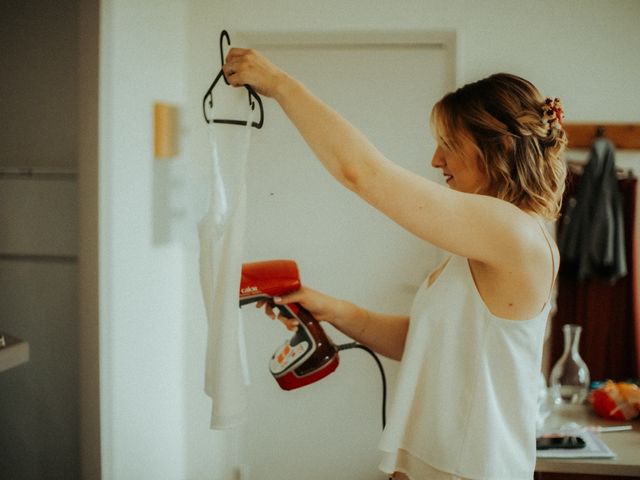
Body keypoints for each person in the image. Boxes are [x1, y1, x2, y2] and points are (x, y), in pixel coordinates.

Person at [222, 48, 568, 480]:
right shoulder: (483, 242)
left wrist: (279, 84)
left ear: (494, 149)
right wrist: (335, 310)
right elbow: (422, 342)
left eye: (448, 145)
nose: (435, 160)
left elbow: (361, 173)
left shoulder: (512, 232)